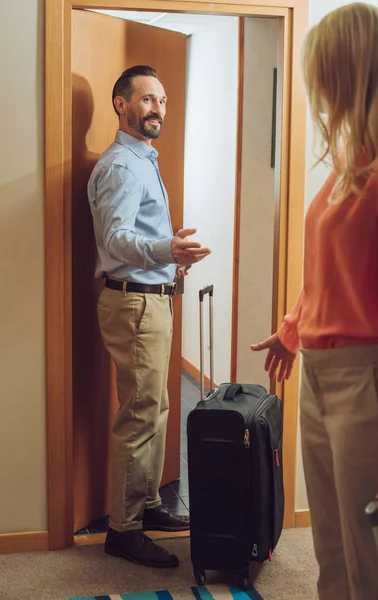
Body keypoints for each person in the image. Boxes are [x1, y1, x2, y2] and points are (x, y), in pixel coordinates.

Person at [251, 4, 378, 599]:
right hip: (322, 375)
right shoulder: (344, 164)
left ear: (348, 68)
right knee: (332, 550)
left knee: (374, 555)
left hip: (371, 380)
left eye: (321, 69)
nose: (315, 85)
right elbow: (324, 274)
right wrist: (292, 330)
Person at [87, 65, 211, 568]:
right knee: (139, 415)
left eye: (162, 100)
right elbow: (115, 239)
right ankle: (124, 530)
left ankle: (149, 504)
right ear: (121, 104)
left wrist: (170, 254)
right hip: (135, 302)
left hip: (152, 298)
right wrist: (166, 247)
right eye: (147, 100)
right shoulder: (122, 165)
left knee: (155, 408)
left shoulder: (143, 159)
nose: (158, 108)